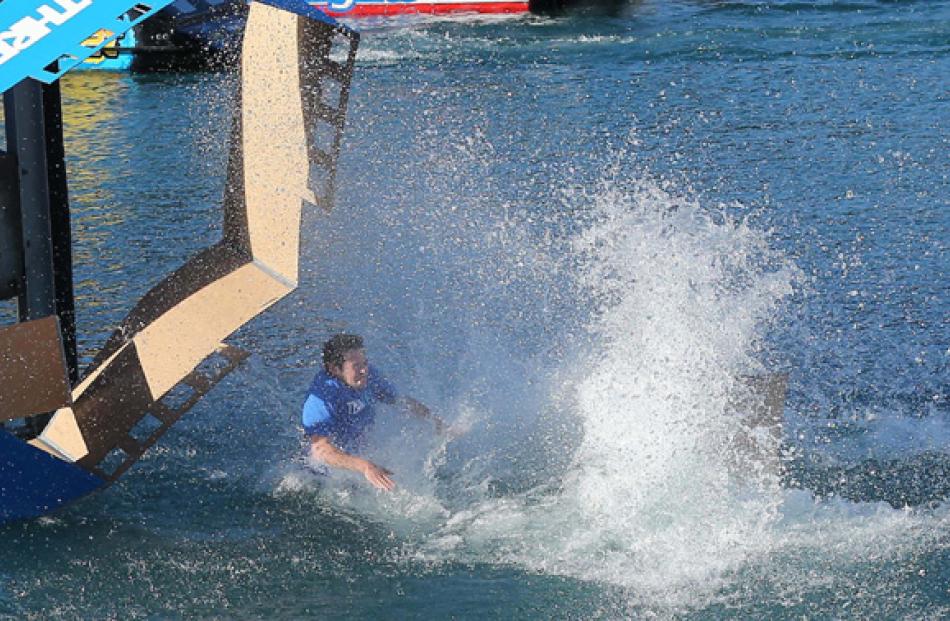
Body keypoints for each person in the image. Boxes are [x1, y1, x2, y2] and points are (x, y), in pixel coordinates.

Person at [301, 333, 445, 492]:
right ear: (334, 369)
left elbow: (402, 402)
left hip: (362, 459)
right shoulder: (321, 399)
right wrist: (365, 466)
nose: (364, 370)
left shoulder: (369, 376)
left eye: (365, 363)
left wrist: (438, 423)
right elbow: (320, 451)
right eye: (356, 366)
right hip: (329, 476)